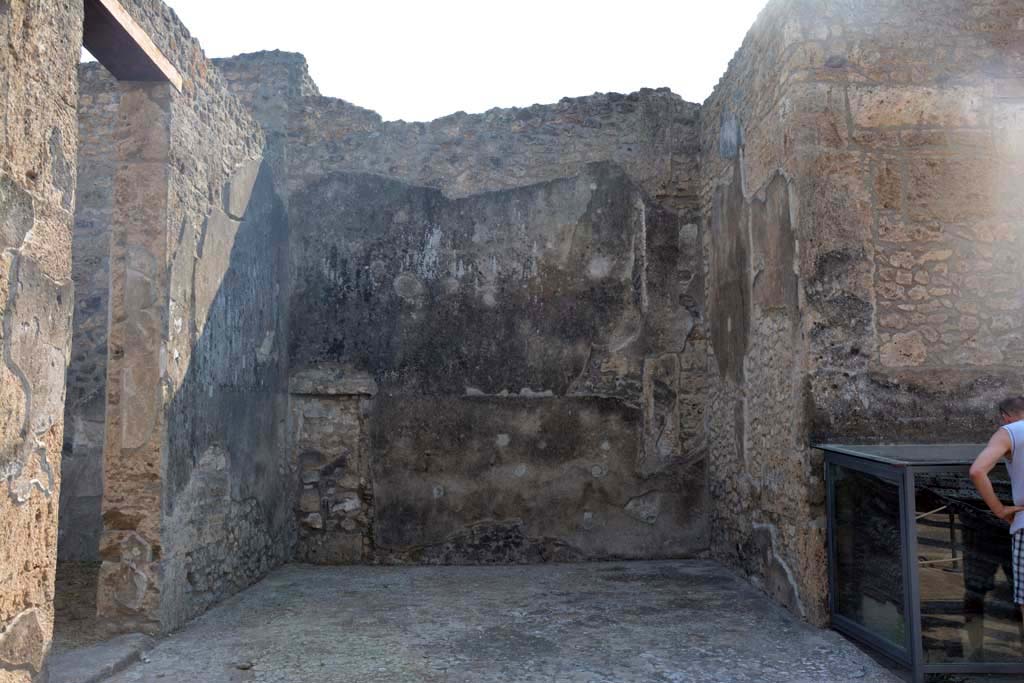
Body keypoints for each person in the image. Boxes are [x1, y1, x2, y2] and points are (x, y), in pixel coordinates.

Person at [968, 396, 1024, 652]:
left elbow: (977, 471)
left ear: (1005, 416)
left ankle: (975, 651)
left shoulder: (1009, 432)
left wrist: (1000, 510)